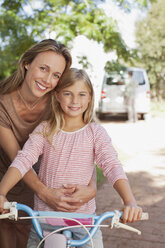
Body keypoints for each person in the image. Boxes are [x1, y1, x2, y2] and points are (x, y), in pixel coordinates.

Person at [0, 68, 142, 248]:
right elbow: (24, 159)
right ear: (57, 96)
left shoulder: (95, 133)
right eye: (68, 93)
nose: (75, 100)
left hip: (85, 224)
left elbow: (111, 165)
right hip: (43, 222)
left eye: (82, 94)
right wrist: (2, 192)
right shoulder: (45, 130)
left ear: (90, 97)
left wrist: (129, 201)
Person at [0, 40, 96, 248]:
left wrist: (92, 187)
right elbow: (19, 157)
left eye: (56, 75)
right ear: (27, 63)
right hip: (10, 172)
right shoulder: (2, 103)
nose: (47, 80)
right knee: (7, 225)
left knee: (29, 230)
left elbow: (88, 143)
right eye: (43, 68)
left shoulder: (59, 102)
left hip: (43, 176)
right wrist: (44, 193)